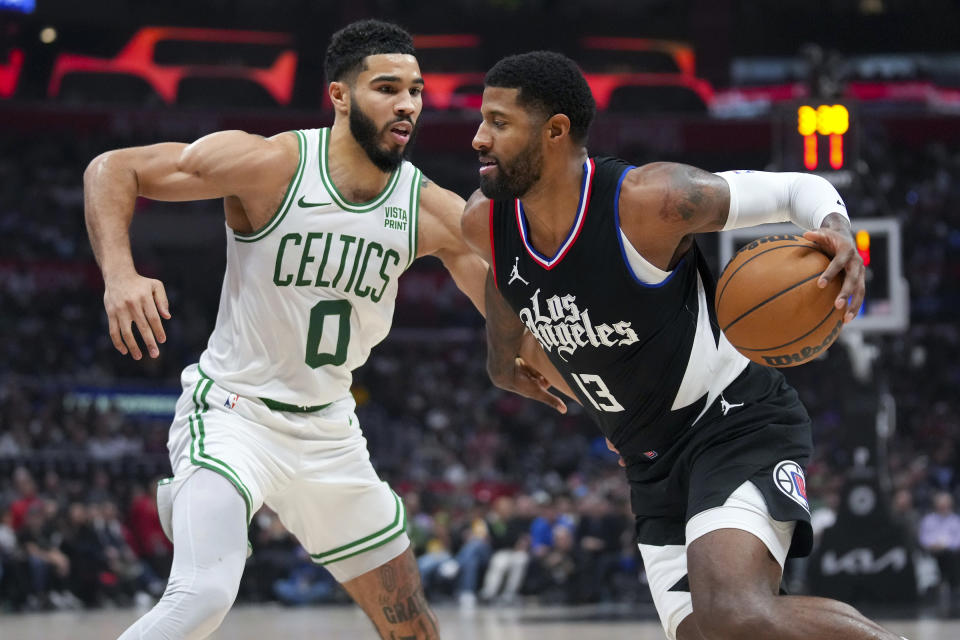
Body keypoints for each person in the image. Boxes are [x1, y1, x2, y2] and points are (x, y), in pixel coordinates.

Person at [83, 20, 553, 640]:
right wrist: (120, 275)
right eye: (387, 87)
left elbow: (501, 299)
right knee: (203, 596)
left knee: (414, 628)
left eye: (415, 89)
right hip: (233, 413)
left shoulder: (430, 207)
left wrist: (554, 372)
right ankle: (202, 494)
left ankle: (196, 503)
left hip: (329, 431)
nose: (407, 104)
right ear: (339, 96)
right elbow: (113, 168)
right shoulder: (271, 164)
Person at [461, 50, 907, 640]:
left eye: (498, 122)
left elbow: (798, 186)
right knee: (704, 631)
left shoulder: (650, 202)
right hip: (649, 458)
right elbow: (503, 274)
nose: (477, 138)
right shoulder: (483, 221)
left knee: (734, 613)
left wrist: (839, 228)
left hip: (733, 422)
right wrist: (501, 355)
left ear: (555, 131)